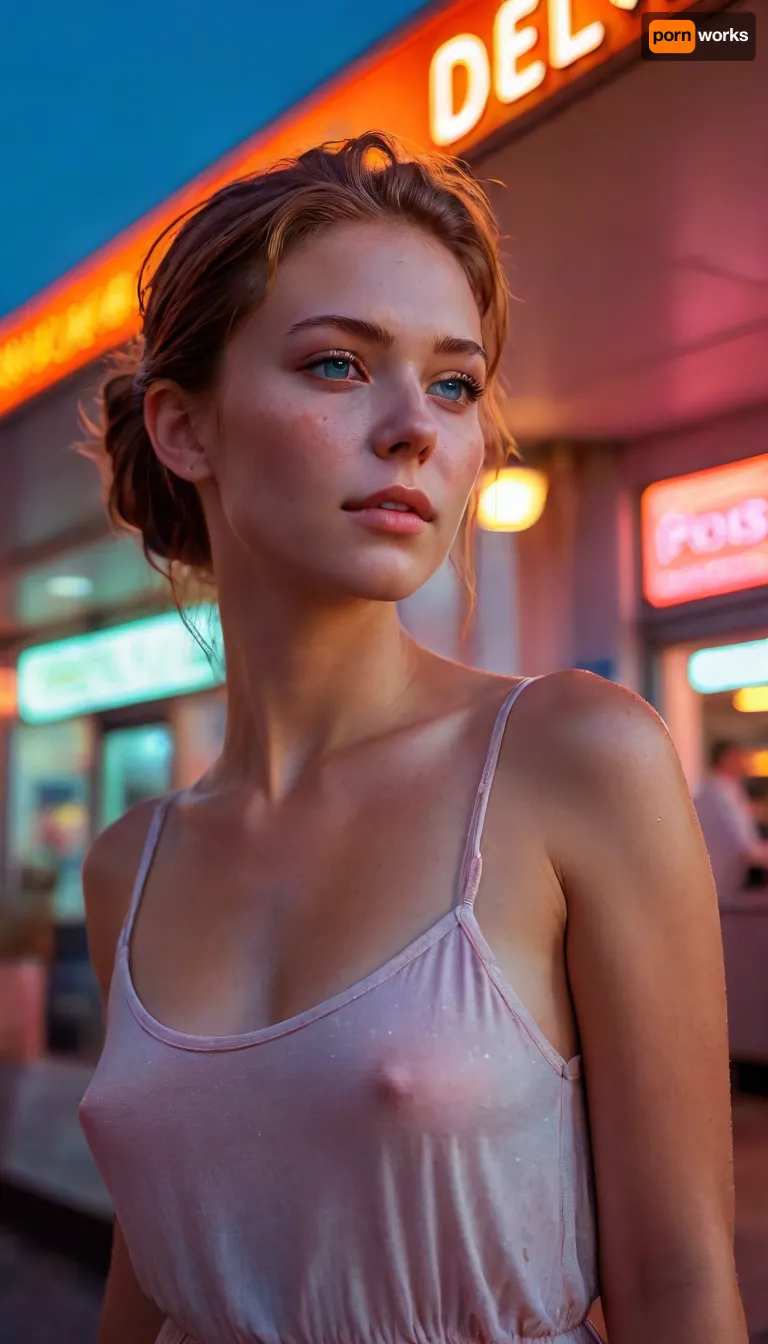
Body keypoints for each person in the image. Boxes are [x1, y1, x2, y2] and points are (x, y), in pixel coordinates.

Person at [77, 132, 746, 1344]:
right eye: (338, 365)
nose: (415, 430)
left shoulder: (572, 759)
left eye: (453, 383)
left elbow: (682, 1287)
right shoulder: (132, 862)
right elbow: (165, 1277)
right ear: (185, 429)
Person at [694, 739, 768, 903]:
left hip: (724, 884)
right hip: (722, 887)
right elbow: (746, 848)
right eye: (740, 757)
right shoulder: (718, 794)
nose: (744, 762)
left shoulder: (725, 790)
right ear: (727, 758)